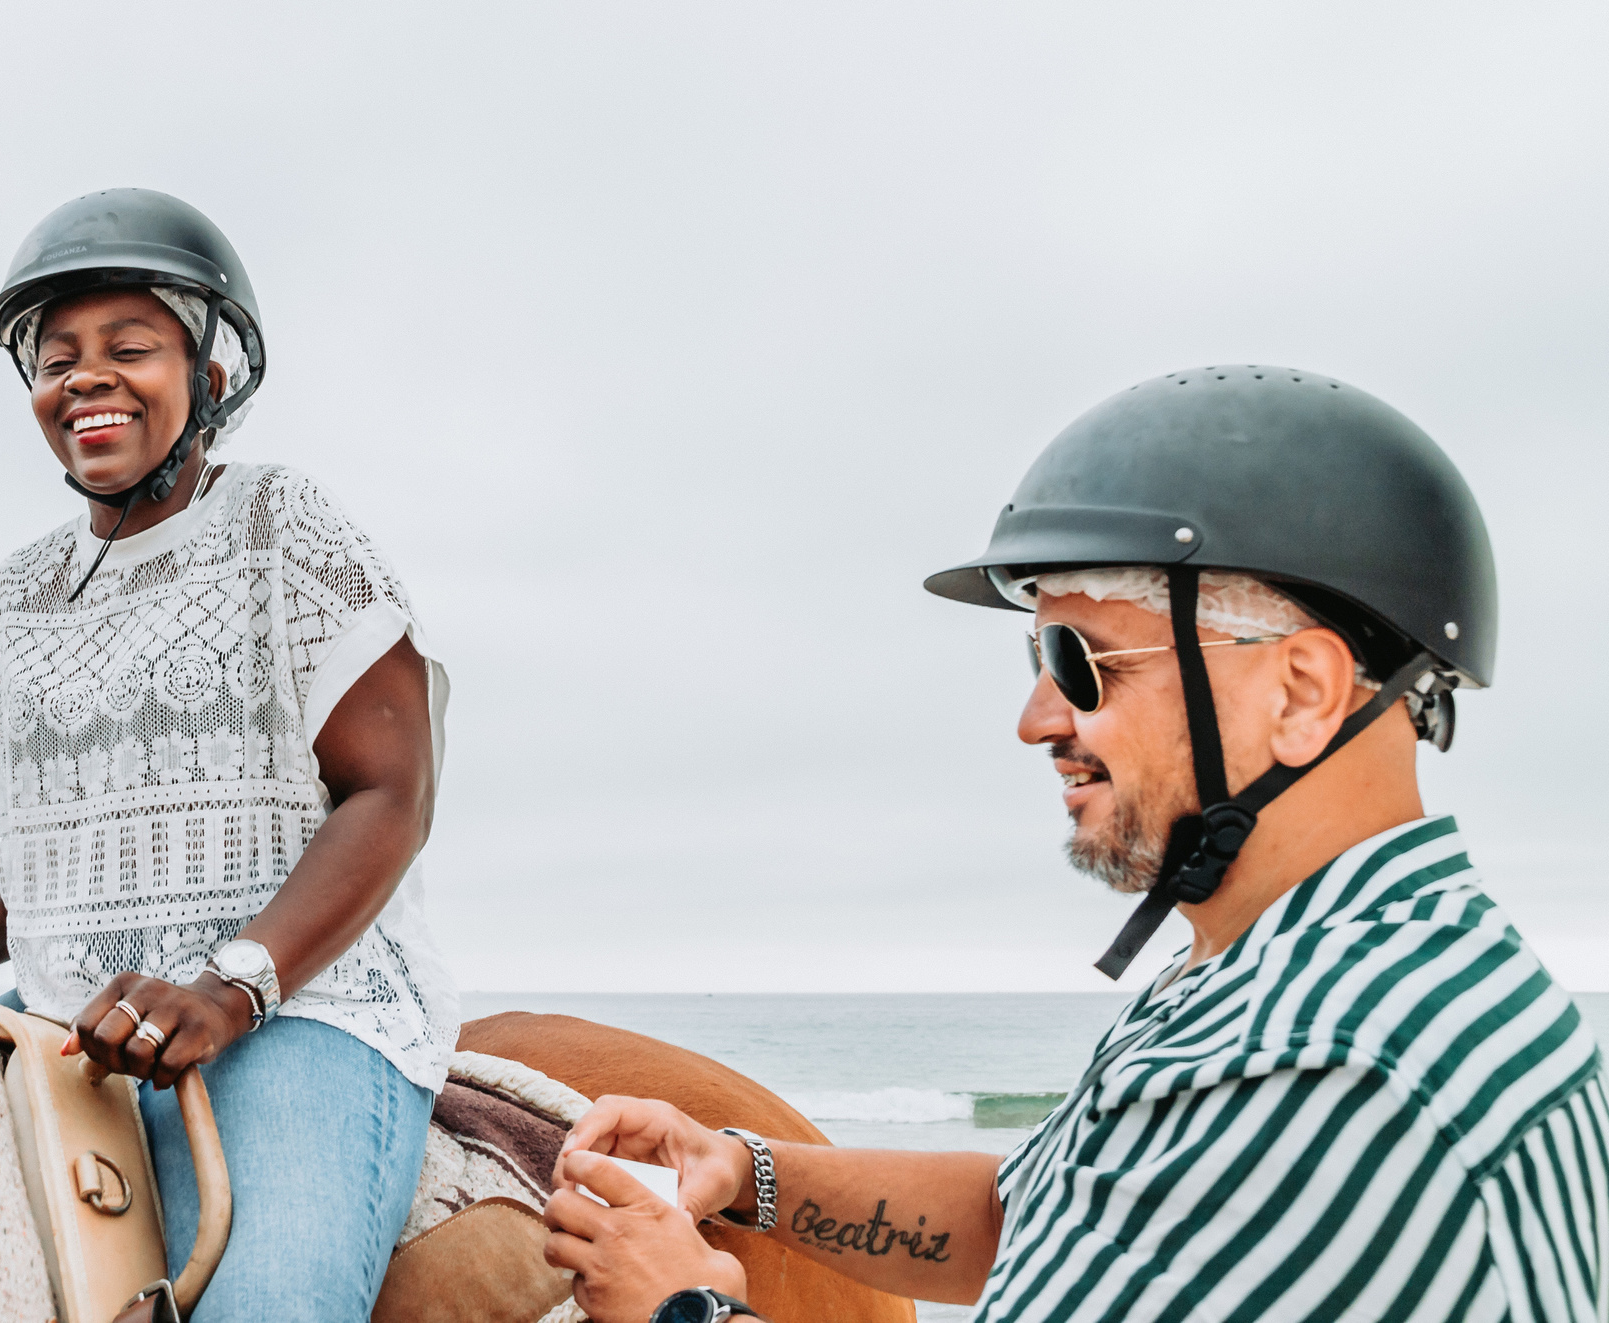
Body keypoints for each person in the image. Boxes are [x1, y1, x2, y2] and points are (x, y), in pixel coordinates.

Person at [544, 366, 1607, 1323]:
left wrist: (686, 1314)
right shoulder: (1279, 972)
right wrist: (740, 1168)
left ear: (1300, 692)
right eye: (1036, 655)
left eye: (1084, 657)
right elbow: (1028, 1225)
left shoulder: (1326, 1064)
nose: (1038, 719)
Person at [0, 189, 456, 1322]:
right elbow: (71, 828)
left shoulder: (285, 526)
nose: (85, 377)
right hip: (65, 1031)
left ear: (209, 375)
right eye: (58, 360)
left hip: (299, 1018)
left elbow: (390, 791)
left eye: (129, 348)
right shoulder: (13, 595)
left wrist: (229, 990)